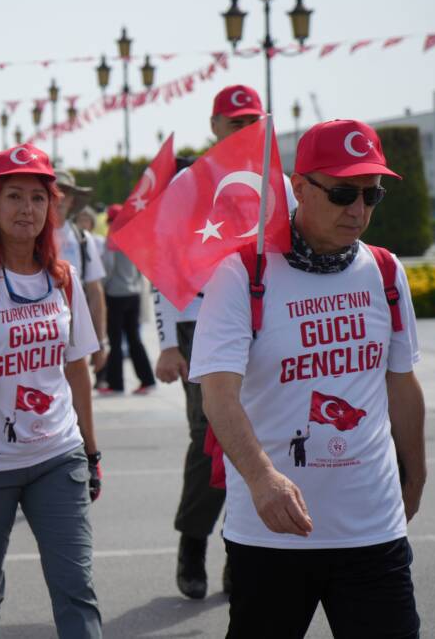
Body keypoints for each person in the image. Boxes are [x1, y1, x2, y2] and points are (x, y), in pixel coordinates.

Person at [190, 119, 425, 638]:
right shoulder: (242, 274)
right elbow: (219, 398)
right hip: (270, 536)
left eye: (371, 194)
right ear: (298, 188)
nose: (358, 209)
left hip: (372, 531)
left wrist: (417, 472)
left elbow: (402, 382)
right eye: (343, 192)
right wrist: (261, 478)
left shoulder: (385, 271)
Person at [0, 143, 103, 638]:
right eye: (13, 197)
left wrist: (91, 452)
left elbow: (77, 369)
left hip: (58, 455)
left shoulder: (63, 278)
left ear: (52, 208)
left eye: (37, 197)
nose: (26, 209)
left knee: (76, 588)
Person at [153, 84, 297, 600]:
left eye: (252, 121)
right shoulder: (189, 184)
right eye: (234, 122)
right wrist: (168, 341)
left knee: (260, 434)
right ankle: (193, 542)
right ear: (215, 126)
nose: (244, 130)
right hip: (200, 322)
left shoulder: (280, 181)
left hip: (265, 320)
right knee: (207, 437)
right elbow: (163, 265)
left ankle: (242, 550)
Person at [98, 203, 156, 396]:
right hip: (134, 294)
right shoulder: (134, 238)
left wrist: (101, 287)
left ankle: (116, 384)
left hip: (115, 294)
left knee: (115, 341)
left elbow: (108, 268)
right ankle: (147, 379)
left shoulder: (112, 241)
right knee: (134, 338)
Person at [54, 169, 107, 374]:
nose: (58, 198)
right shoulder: (29, 237)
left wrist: (100, 342)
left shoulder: (82, 238)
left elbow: (95, 292)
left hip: (75, 333)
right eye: (52, 192)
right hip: (40, 333)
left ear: (72, 200)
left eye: (64, 193)